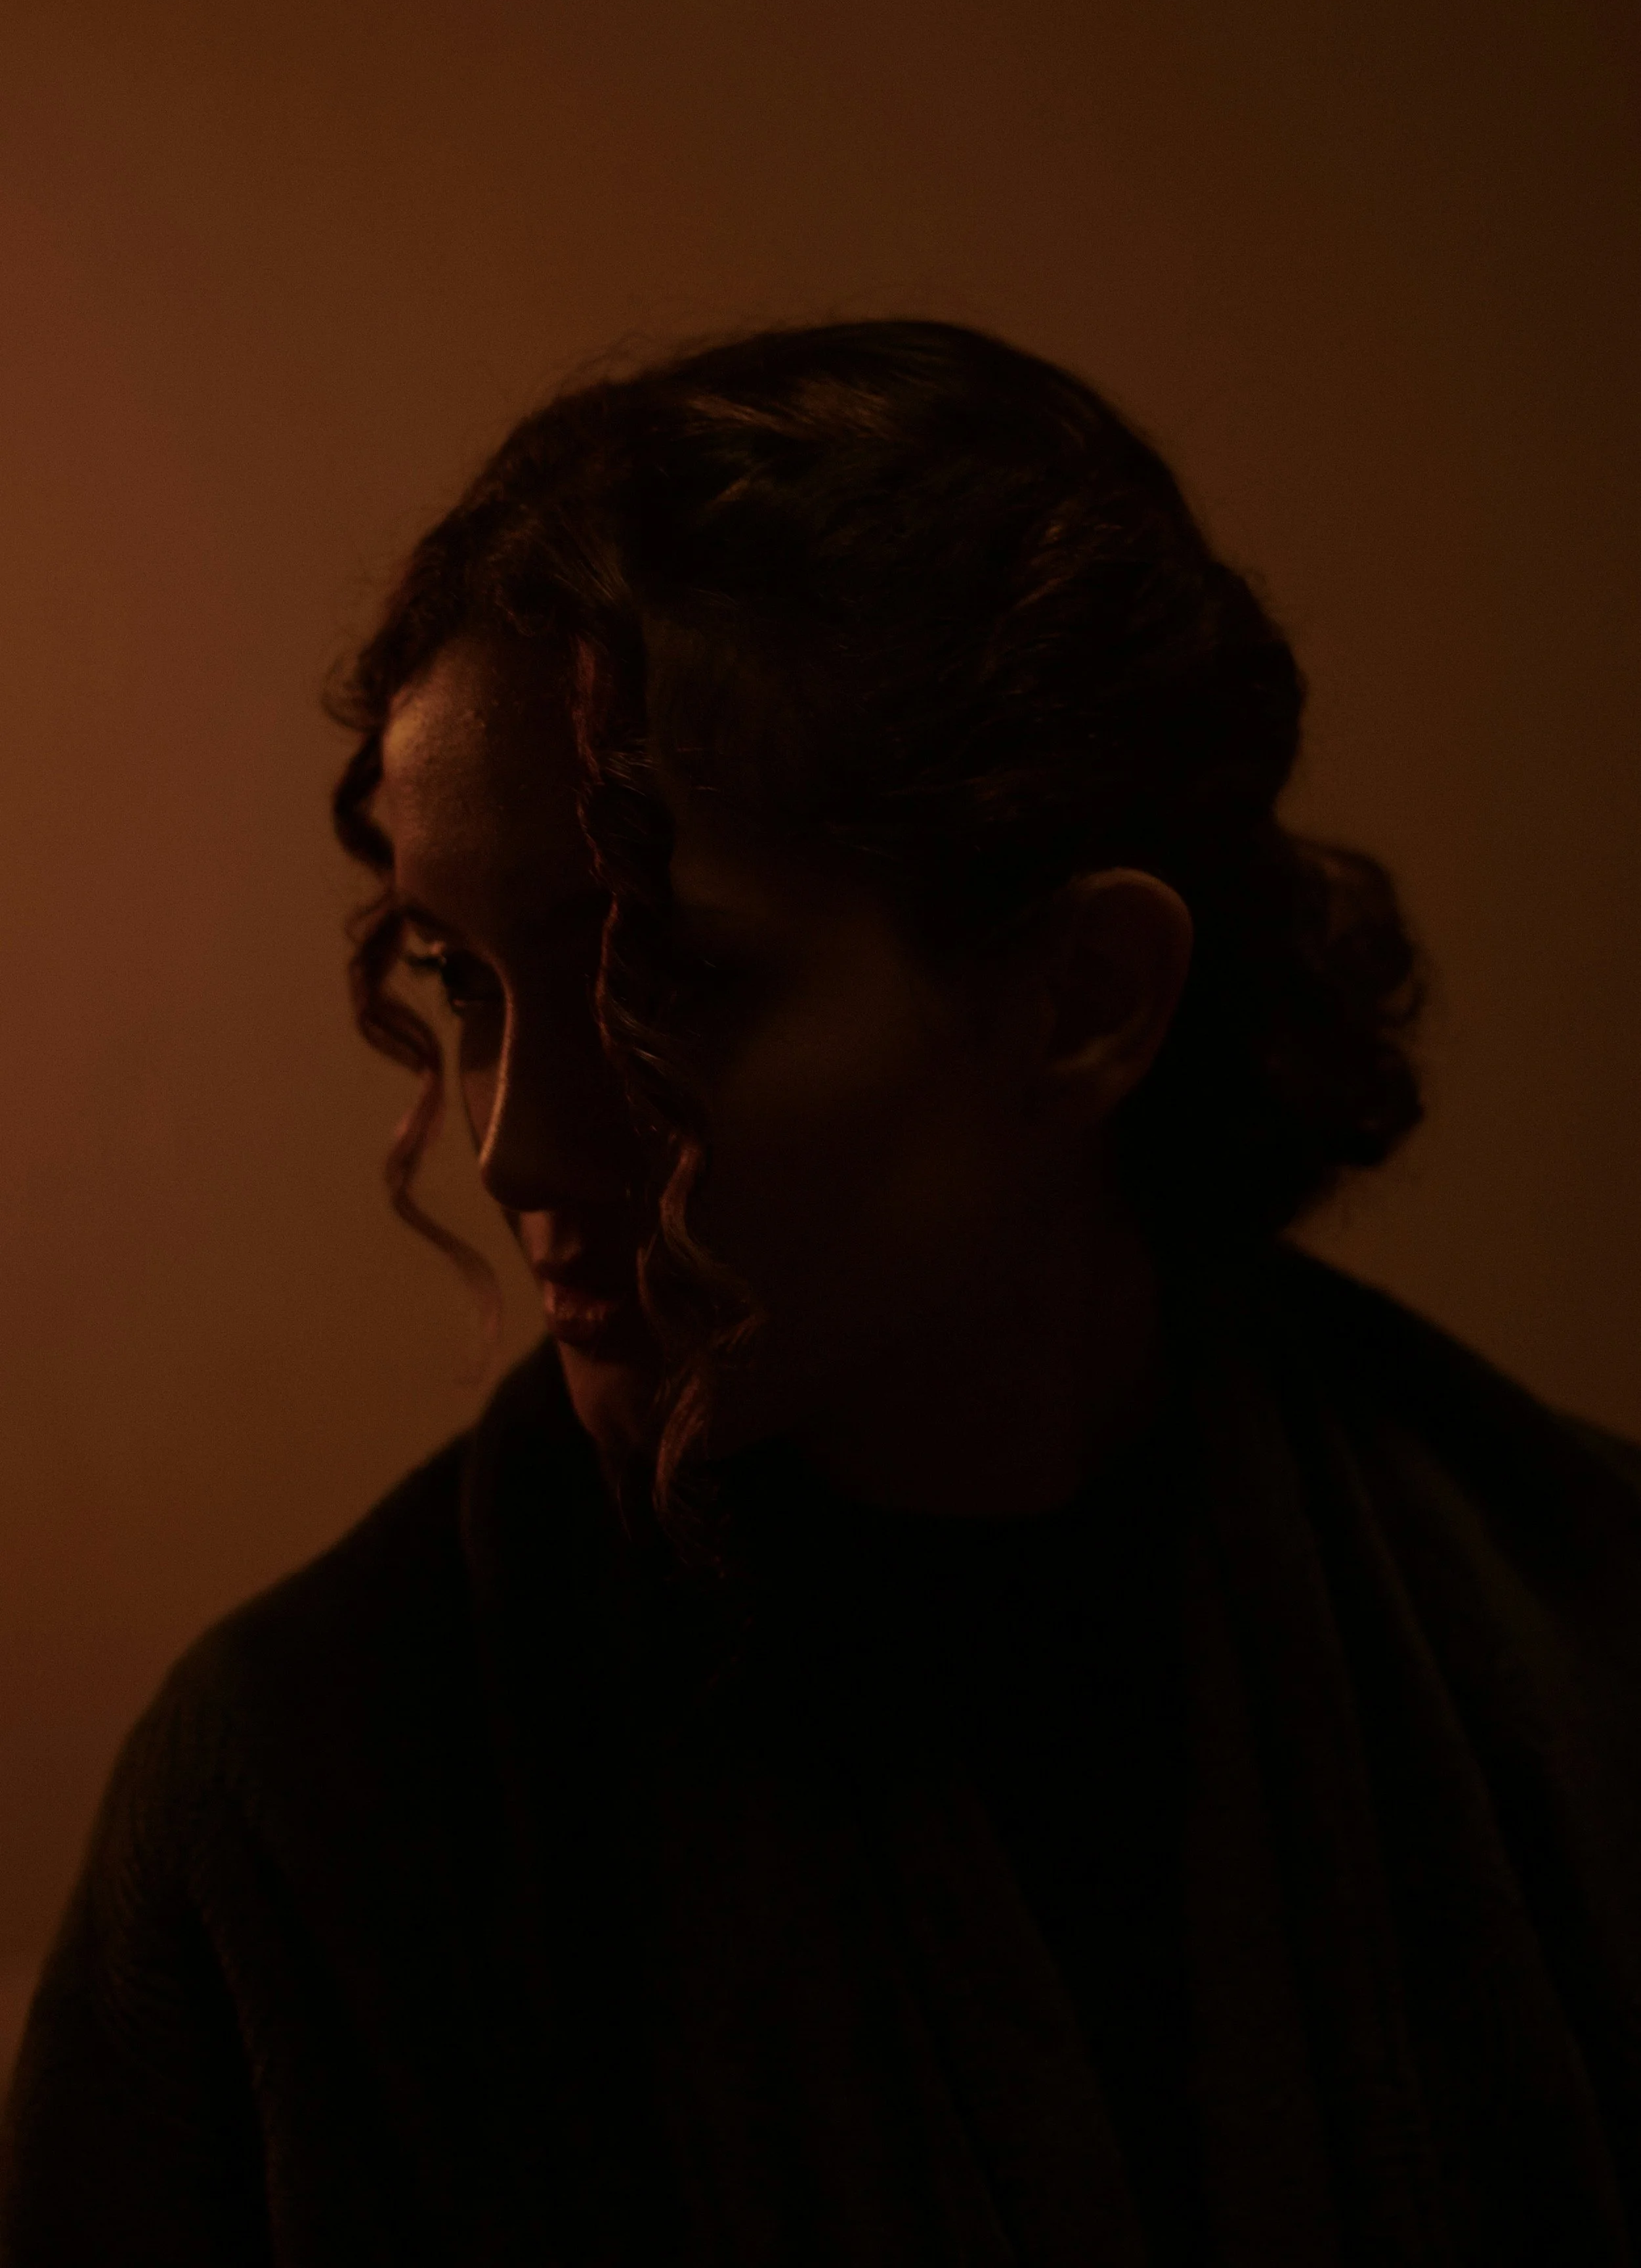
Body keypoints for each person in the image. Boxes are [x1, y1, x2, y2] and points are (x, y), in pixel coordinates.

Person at [3, 320, 1640, 2266]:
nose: (516, 1147)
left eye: (663, 981)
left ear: (1079, 998)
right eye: (459, 978)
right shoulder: (314, 1797)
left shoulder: (1582, 1651)